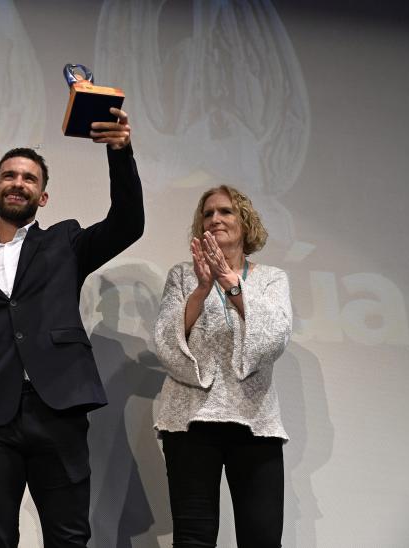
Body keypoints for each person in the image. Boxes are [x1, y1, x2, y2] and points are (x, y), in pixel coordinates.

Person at [0, 107, 143, 547]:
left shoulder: (65, 242)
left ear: (43, 198)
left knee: (68, 537)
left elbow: (129, 222)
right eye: (9, 176)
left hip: (57, 409)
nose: (18, 183)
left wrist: (120, 152)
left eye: (30, 179)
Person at [153, 185, 292, 548]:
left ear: (245, 222)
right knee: (193, 539)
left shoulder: (271, 279)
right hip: (190, 420)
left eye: (225, 212)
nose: (215, 219)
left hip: (254, 420)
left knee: (261, 538)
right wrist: (201, 289)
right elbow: (167, 342)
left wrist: (231, 284)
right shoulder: (183, 276)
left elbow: (275, 338)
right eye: (208, 213)